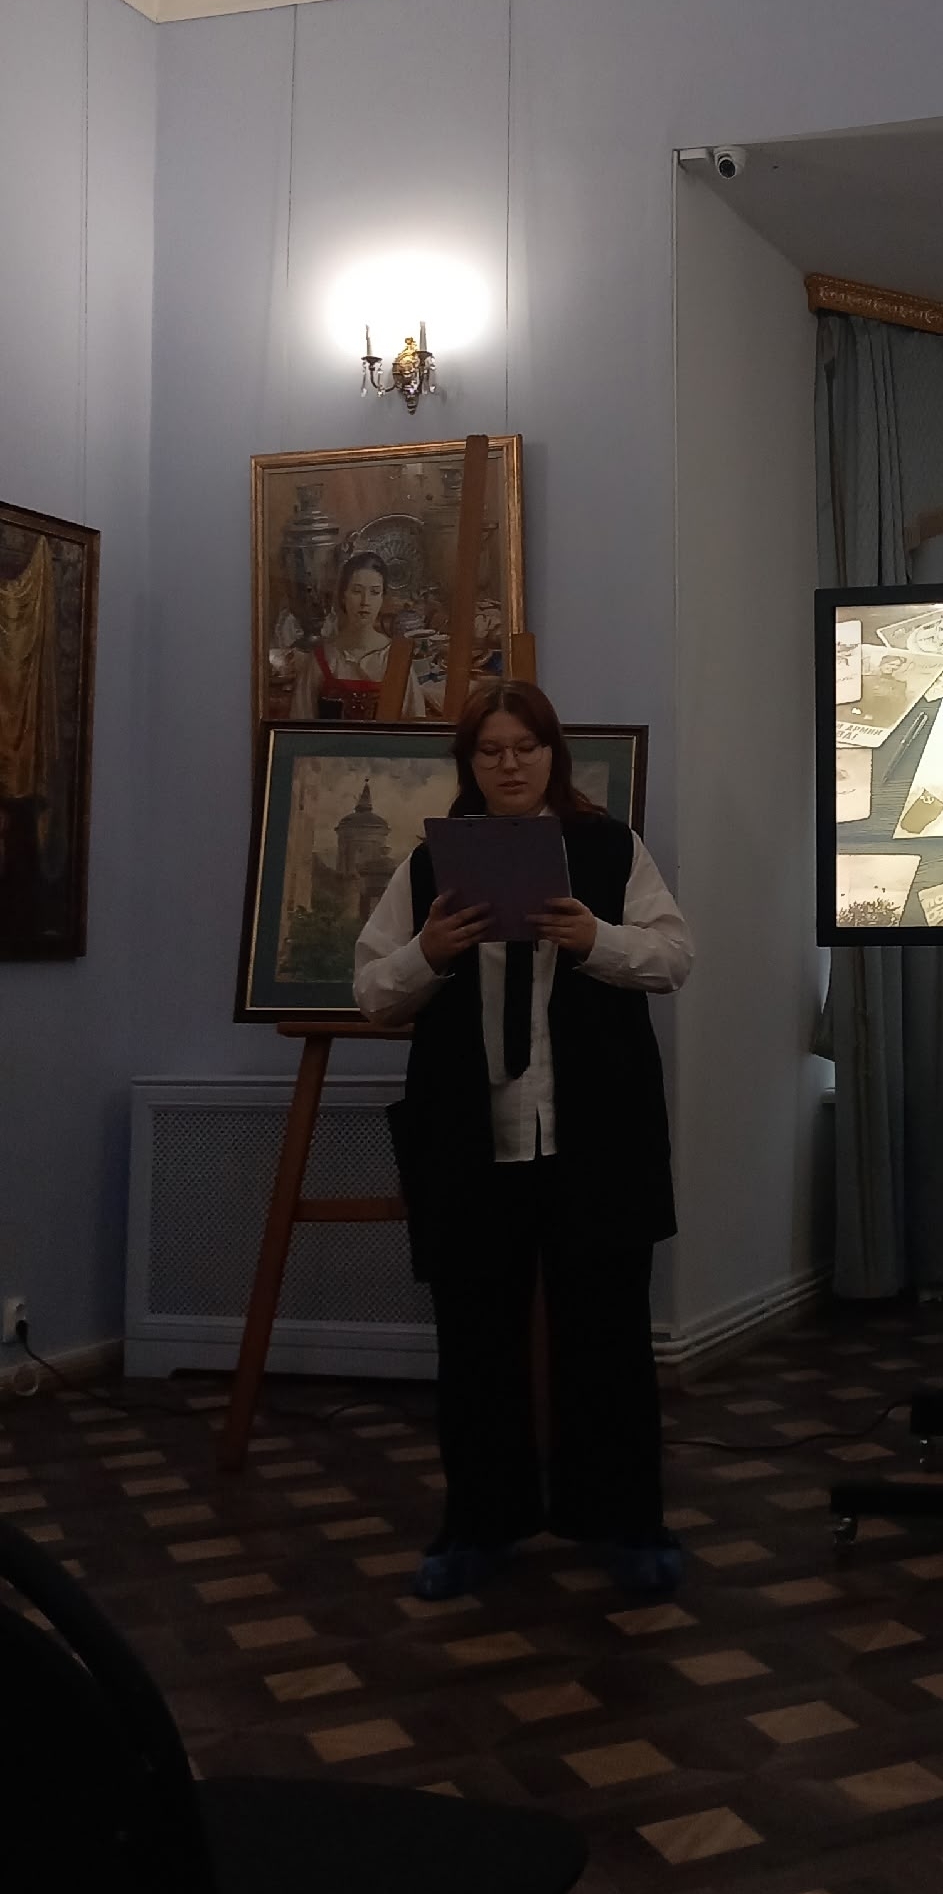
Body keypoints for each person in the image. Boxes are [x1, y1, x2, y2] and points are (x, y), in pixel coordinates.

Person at [353, 681, 692, 1601]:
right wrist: (429, 951)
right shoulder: (431, 864)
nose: (509, 765)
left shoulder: (611, 848)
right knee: (474, 1342)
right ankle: (480, 1526)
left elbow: (674, 957)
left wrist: (596, 938)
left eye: (525, 748)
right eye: (491, 750)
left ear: (552, 755)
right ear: (469, 763)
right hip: (472, 1137)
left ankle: (623, 1521)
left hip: (595, 1136)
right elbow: (373, 993)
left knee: (607, 1338)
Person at [287, 549, 427, 720]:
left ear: (382, 598)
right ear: (343, 596)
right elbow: (300, 721)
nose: (365, 602)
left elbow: (416, 723)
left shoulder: (395, 659)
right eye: (356, 591)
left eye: (374, 592)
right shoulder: (323, 658)